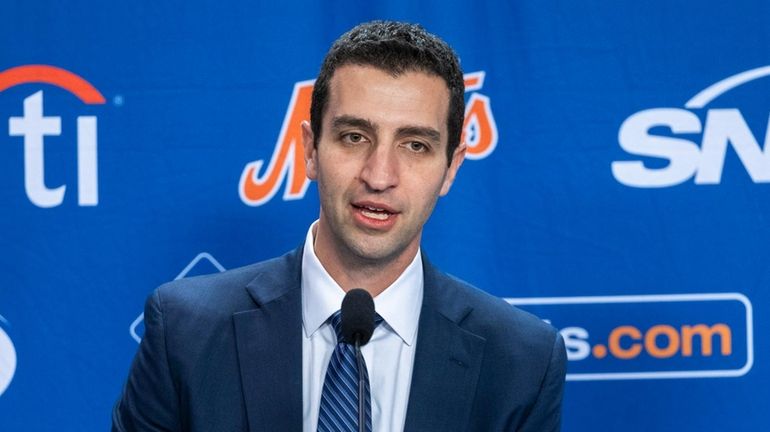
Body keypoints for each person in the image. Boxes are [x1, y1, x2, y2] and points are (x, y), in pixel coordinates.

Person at [112, 20, 566, 432]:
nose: (379, 175)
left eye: (415, 145)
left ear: (451, 168)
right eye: (354, 137)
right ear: (310, 150)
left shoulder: (521, 360)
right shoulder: (186, 332)